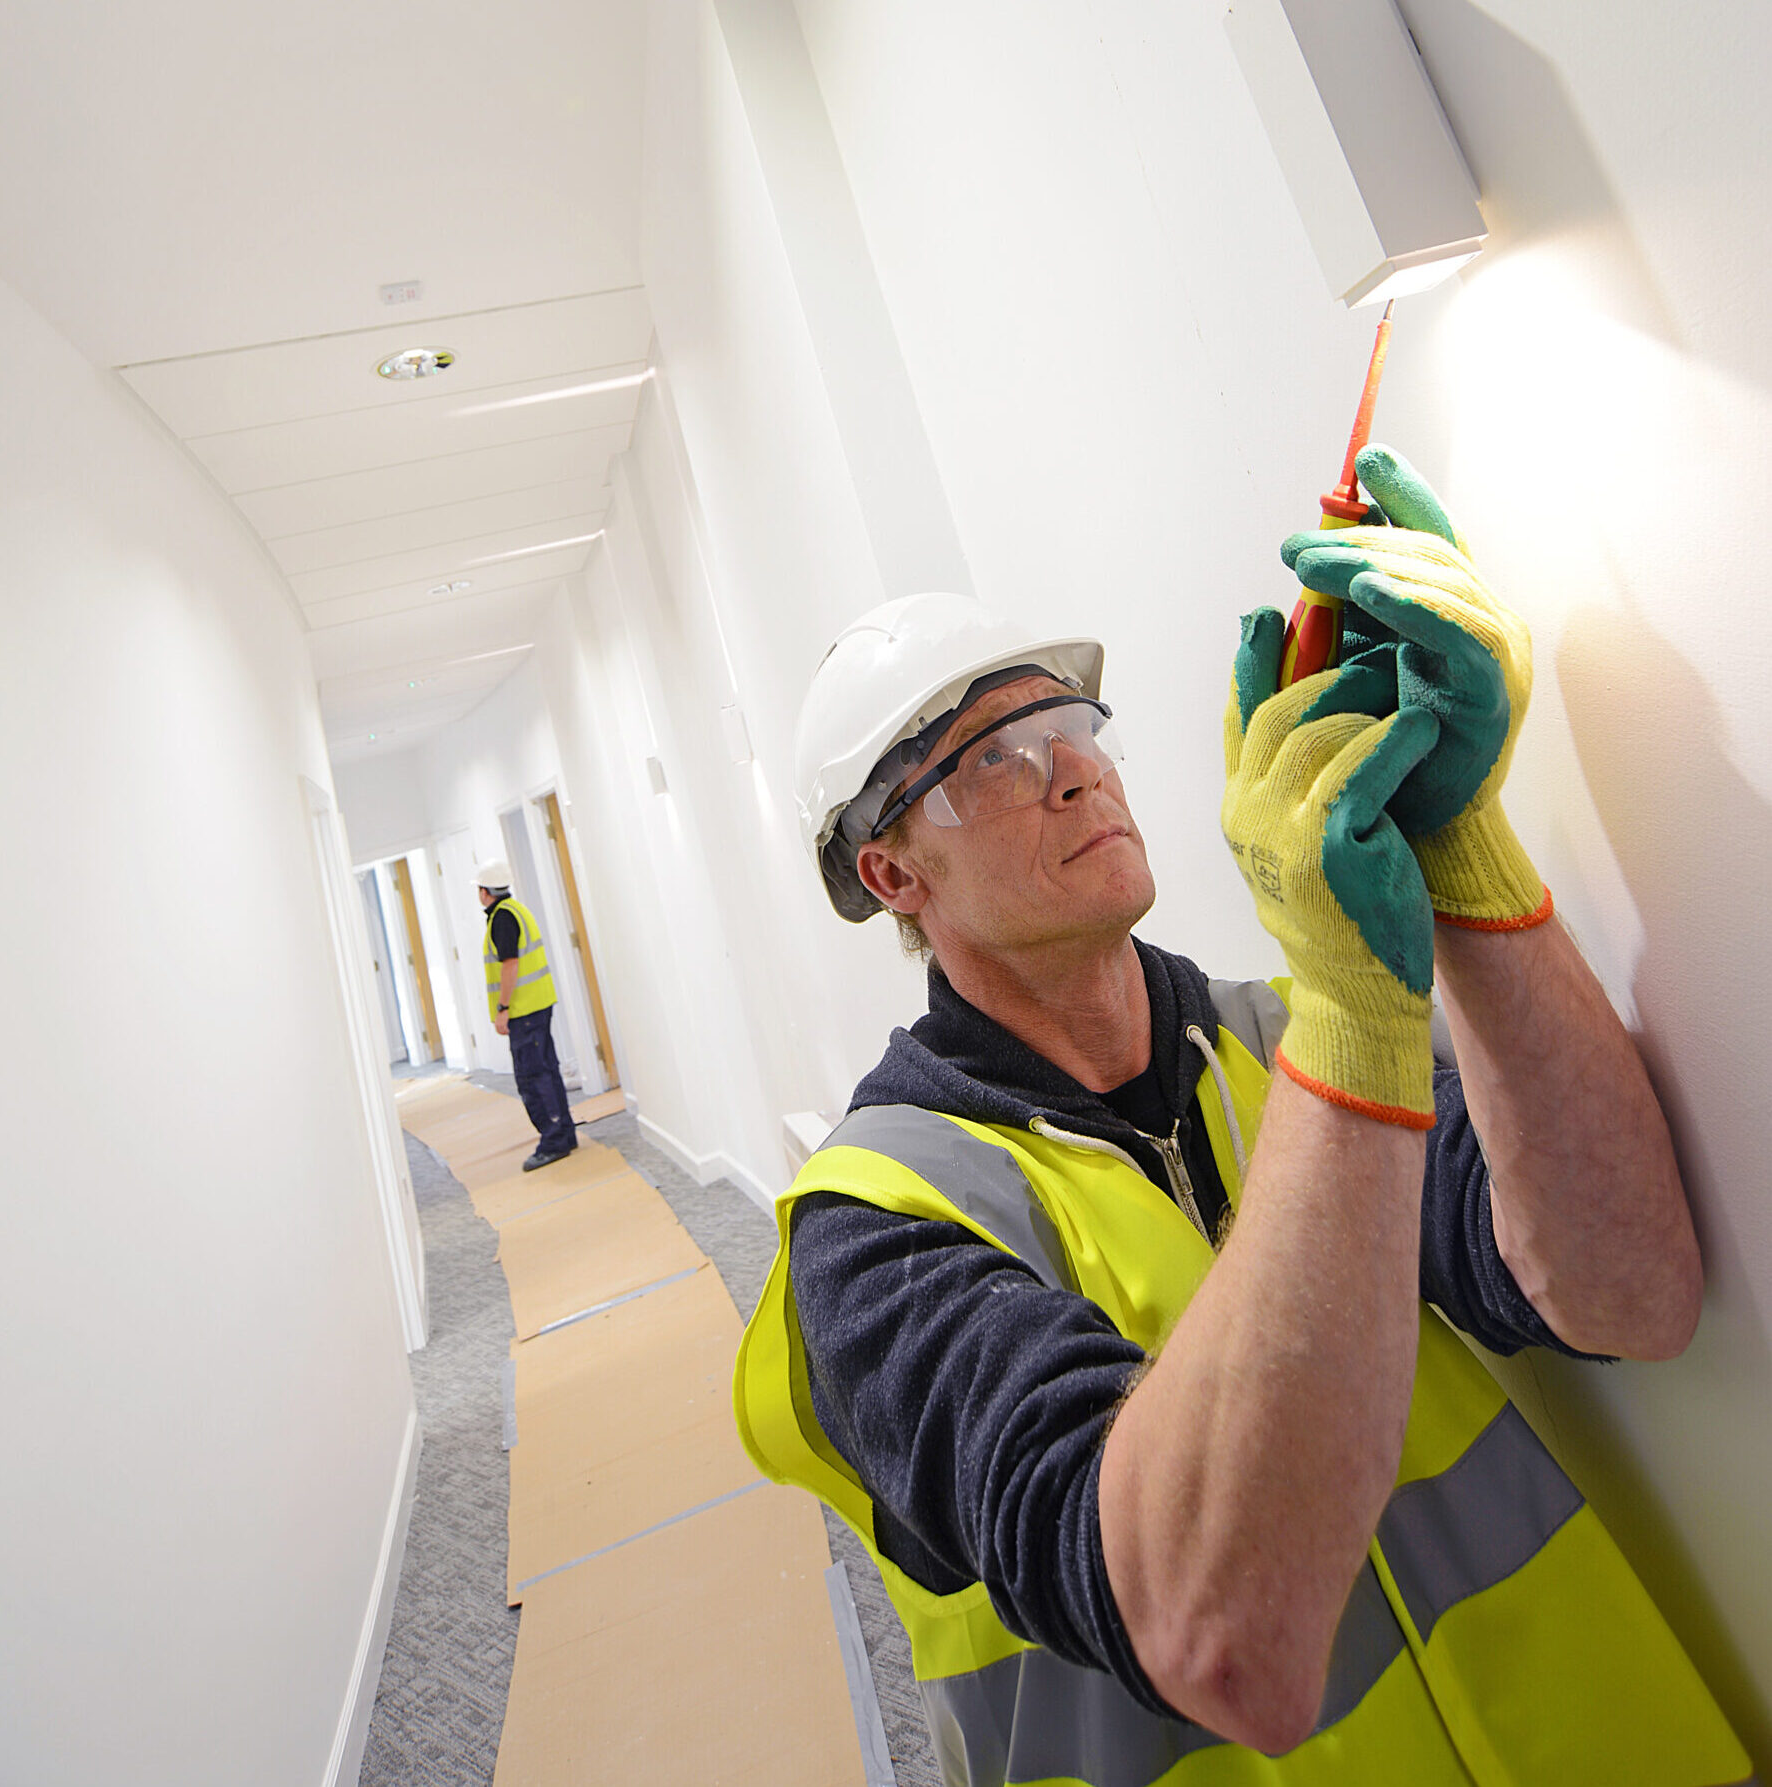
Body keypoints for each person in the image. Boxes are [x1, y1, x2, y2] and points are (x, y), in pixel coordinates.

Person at [733, 448, 1749, 1784]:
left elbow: (1628, 1287)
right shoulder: (873, 1232)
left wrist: (1463, 852)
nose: (1073, 774)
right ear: (889, 868)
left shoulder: (1288, 1045)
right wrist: (1352, 1002)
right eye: (993, 758)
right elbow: (1214, 1634)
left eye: (1075, 730)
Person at [474, 860, 577, 1171]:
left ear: (484, 892)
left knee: (533, 1077)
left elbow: (510, 965)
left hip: (524, 1010)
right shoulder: (516, 910)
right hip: (537, 1004)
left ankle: (554, 1140)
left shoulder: (502, 919)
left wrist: (503, 1009)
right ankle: (564, 1133)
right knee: (546, 1070)